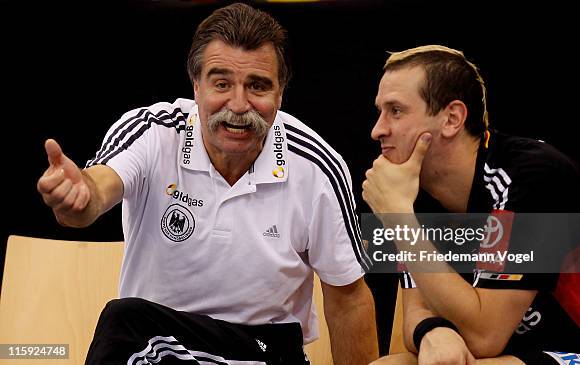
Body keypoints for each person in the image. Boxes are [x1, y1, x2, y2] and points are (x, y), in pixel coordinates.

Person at [36, 3, 378, 364]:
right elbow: (96, 191)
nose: (239, 104)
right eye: (221, 83)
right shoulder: (153, 132)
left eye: (258, 86)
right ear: (196, 87)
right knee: (125, 318)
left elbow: (349, 298)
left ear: (280, 94)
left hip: (262, 349)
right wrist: (79, 197)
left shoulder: (316, 166)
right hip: (159, 343)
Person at [362, 45, 580, 364]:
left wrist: (398, 218)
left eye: (396, 111)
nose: (377, 129)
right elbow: (415, 311)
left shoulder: (532, 177)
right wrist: (434, 332)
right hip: (519, 349)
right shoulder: (416, 186)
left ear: (452, 119)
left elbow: (484, 337)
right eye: (380, 111)